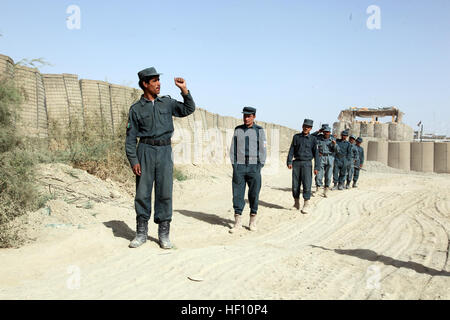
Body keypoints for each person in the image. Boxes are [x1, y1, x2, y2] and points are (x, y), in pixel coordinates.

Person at [125, 67, 196, 249]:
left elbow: (188, 108)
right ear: (144, 84)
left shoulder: (167, 103)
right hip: (145, 151)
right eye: (154, 81)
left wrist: (184, 90)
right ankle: (141, 233)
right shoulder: (136, 109)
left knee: (165, 193)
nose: (158, 83)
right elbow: (131, 139)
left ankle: (164, 234)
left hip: (164, 151)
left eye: (158, 80)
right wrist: (134, 161)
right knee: (142, 193)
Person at [229, 107, 267, 233]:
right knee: (237, 193)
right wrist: (234, 164)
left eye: (249, 116)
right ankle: (237, 222)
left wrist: (259, 165)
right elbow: (233, 148)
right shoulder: (238, 129)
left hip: (254, 165)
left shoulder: (259, 131)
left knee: (254, 193)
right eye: (244, 116)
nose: (246, 118)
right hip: (239, 165)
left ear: (254, 116)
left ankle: (252, 220)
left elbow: (263, 149)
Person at [287, 119, 319, 214]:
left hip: (307, 164)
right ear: (302, 126)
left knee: (307, 184)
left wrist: (316, 167)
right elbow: (291, 150)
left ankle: (306, 204)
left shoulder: (313, 139)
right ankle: (296, 203)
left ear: (311, 128)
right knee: (295, 185)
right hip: (296, 163)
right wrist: (289, 161)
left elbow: (316, 154)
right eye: (305, 126)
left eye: (308, 127)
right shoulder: (296, 137)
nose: (306, 128)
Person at [315, 125, 338, 197]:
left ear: (330, 132)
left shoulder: (333, 139)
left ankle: (326, 189)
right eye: (325, 132)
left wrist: (335, 145)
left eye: (328, 132)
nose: (326, 133)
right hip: (321, 157)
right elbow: (311, 136)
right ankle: (318, 188)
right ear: (323, 132)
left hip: (330, 157)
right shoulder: (319, 138)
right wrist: (318, 131)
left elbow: (337, 150)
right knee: (319, 174)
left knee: (328, 175)